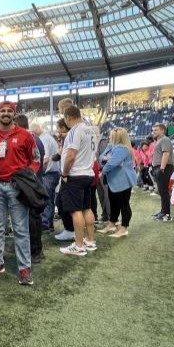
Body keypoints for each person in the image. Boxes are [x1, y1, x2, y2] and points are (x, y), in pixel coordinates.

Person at [0, 101, 39, 284]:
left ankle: (24, 268)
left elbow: (35, 160)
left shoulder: (25, 136)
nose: (5, 113)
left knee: (21, 229)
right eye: (2, 111)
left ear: (14, 114)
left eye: (9, 111)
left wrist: (25, 179)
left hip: (17, 187)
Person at [58, 105, 97, 257]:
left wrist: (65, 173)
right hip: (87, 173)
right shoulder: (90, 129)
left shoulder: (75, 130)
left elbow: (71, 155)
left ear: (68, 117)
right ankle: (90, 240)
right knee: (87, 208)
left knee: (76, 211)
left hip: (75, 175)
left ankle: (79, 245)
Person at [14, 114, 45, 263]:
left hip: (29, 185)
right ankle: (36, 250)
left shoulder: (27, 138)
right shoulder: (36, 139)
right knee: (34, 219)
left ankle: (35, 251)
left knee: (31, 220)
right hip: (35, 183)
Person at [99, 128, 137, 238]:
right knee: (114, 203)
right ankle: (112, 224)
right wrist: (108, 158)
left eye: (111, 135)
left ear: (117, 137)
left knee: (124, 204)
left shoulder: (123, 149)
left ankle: (124, 227)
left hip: (123, 180)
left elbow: (112, 163)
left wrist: (103, 171)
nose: (109, 137)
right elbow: (102, 158)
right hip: (114, 180)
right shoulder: (112, 146)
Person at [40, 123, 61, 234]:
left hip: (48, 174)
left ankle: (45, 224)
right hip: (54, 173)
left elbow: (46, 158)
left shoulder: (44, 139)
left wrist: (41, 171)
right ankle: (50, 223)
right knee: (50, 199)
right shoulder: (50, 138)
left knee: (46, 199)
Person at [151, 123, 174, 222]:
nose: (154, 132)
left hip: (164, 168)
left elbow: (166, 154)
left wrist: (161, 168)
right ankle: (163, 212)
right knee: (161, 191)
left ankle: (166, 214)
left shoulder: (164, 139)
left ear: (162, 131)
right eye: (153, 130)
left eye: (156, 130)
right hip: (160, 168)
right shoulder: (160, 140)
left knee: (164, 191)